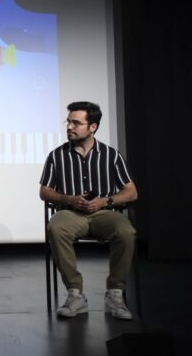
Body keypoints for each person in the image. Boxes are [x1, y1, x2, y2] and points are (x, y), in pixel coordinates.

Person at [39, 101, 138, 320]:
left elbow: (131, 192)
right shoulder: (57, 156)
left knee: (126, 232)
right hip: (71, 213)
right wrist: (69, 199)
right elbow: (45, 192)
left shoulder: (111, 155)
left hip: (104, 213)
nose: (69, 127)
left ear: (92, 127)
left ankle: (115, 294)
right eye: (69, 122)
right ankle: (75, 294)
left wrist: (106, 201)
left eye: (76, 122)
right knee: (56, 227)